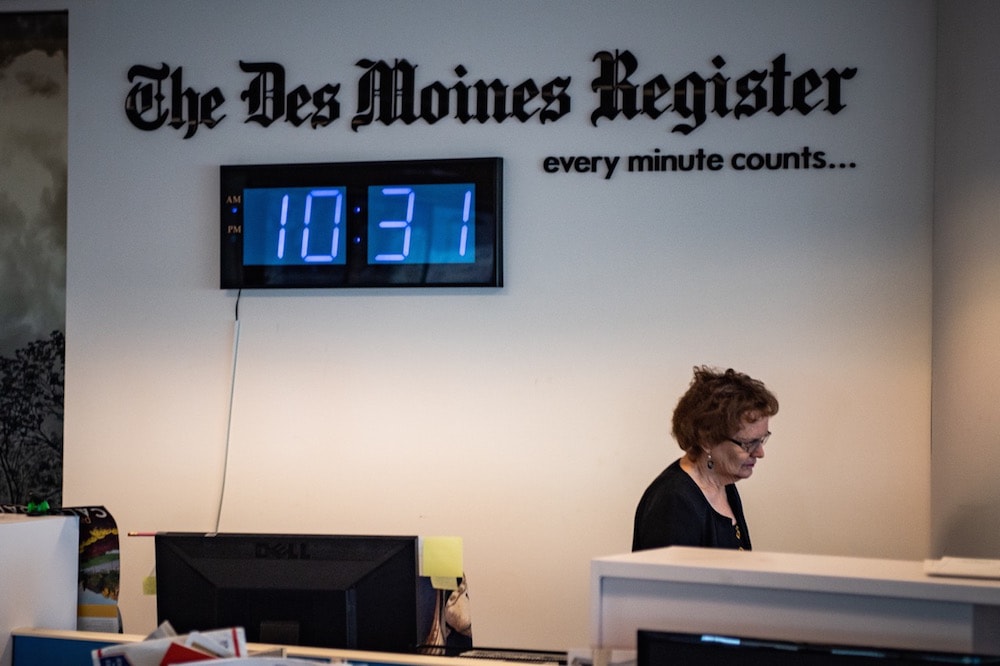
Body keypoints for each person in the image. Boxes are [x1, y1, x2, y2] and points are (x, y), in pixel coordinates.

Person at [632, 365, 778, 552]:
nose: (760, 453)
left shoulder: (724, 484)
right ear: (707, 440)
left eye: (762, 440)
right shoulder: (673, 502)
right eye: (748, 443)